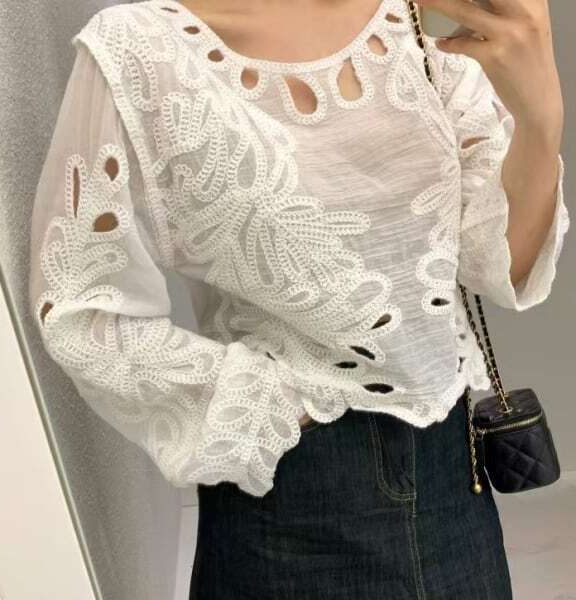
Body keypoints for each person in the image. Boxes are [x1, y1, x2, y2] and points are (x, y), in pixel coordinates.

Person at [28, 0, 569, 597]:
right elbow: (81, 307)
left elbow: (502, 267)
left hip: (453, 482)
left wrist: (541, 117)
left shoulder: (415, 26)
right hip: (289, 498)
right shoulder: (145, 48)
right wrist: (270, 410)